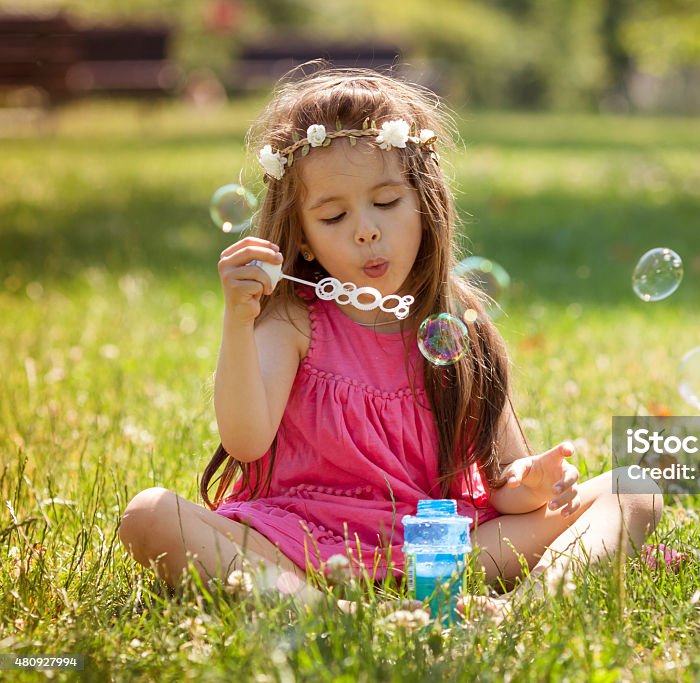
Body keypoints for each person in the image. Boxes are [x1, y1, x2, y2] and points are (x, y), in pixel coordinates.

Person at [117, 66, 662, 613]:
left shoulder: (459, 319)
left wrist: (536, 481)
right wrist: (238, 320)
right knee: (148, 514)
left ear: (424, 204)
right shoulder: (291, 320)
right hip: (304, 548)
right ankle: (327, 612)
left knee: (634, 487)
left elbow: (503, 484)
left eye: (386, 202)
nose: (366, 230)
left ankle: (520, 610)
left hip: (442, 550)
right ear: (303, 239)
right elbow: (246, 442)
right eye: (333, 215)